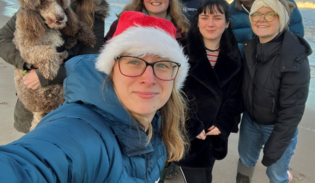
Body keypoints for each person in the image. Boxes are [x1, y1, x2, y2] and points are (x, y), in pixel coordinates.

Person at [0, 11, 189, 182]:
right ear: (111, 71)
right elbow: (28, 167)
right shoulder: (80, 129)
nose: (149, 79)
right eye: (133, 62)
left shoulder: (157, 125)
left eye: (163, 65)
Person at [0, 0, 109, 133]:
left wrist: (45, 76)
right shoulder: (34, 5)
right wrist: (27, 63)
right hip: (32, 98)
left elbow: (90, 61)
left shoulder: (94, 14)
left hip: (71, 103)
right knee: (31, 152)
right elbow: (2, 39)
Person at [236, 0, 312, 183]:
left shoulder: (294, 57)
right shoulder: (250, 47)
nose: (261, 19)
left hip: (279, 126)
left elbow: (292, 112)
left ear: (282, 19)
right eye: (256, 14)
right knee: (245, 160)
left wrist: (275, 147)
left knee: (276, 173)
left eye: (270, 15)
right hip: (250, 121)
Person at [172, 0, 242, 183]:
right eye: (204, 17)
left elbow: (236, 96)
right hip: (189, 136)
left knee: (207, 177)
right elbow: (173, 95)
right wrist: (191, 125)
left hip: (214, 135)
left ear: (227, 23)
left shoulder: (233, 54)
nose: (210, 23)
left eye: (217, 17)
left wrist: (223, 123)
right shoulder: (182, 51)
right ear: (198, 21)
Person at [229, 0, 304, 54]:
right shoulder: (230, 12)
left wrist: (279, 54)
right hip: (247, 64)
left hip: (279, 60)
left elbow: (296, 29)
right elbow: (230, 44)